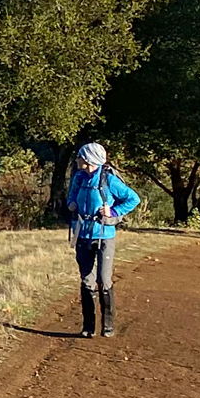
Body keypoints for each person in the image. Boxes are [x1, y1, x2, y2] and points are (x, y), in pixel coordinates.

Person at [67, 141, 139, 337]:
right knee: (86, 280)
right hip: (82, 234)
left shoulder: (109, 180)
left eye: (80, 156)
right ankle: (88, 327)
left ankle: (108, 326)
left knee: (103, 279)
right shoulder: (79, 178)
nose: (77, 159)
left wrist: (114, 211)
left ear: (89, 160)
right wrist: (72, 203)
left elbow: (133, 199)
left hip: (104, 235)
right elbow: (70, 197)